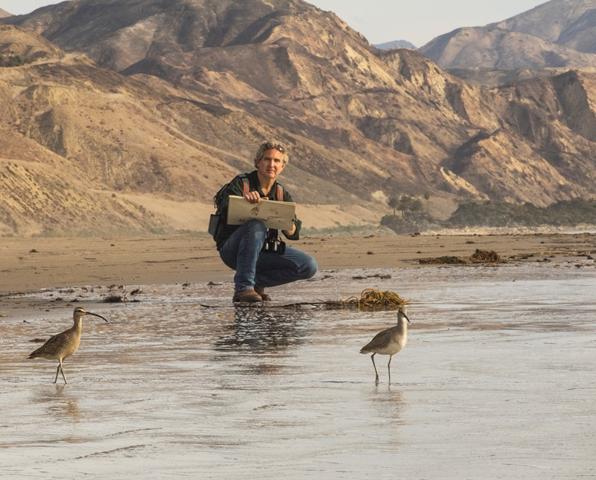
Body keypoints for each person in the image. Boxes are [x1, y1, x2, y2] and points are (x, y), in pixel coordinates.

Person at [213, 141, 318, 303]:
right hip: (233, 250)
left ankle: (256, 283)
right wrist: (244, 200)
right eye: (267, 159)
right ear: (257, 162)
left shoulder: (281, 193)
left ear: (282, 166)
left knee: (308, 265)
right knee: (256, 225)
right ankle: (244, 288)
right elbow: (223, 205)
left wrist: (289, 226)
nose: (272, 165)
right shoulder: (242, 183)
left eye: (277, 161)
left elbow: (294, 232)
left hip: (264, 252)